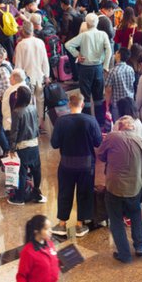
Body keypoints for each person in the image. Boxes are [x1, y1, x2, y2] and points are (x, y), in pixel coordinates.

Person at [97, 116, 142, 263]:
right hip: (134, 187)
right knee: (135, 214)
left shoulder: (112, 137)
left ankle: (124, 254)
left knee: (115, 220)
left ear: (119, 127)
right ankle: (140, 246)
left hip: (114, 186)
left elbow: (100, 156)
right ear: (132, 127)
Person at [50, 94, 102, 237]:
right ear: (82, 104)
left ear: (69, 104)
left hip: (66, 163)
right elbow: (98, 142)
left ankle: (61, 223)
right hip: (86, 164)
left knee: (64, 192)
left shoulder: (61, 121)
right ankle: (80, 224)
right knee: (85, 193)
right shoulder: (90, 120)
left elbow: (54, 144)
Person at [65, 14, 111, 130]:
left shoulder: (83, 35)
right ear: (97, 23)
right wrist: (105, 65)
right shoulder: (103, 34)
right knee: (99, 97)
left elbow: (67, 44)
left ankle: (88, 122)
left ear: (86, 23)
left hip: (85, 68)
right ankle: (100, 123)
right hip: (98, 67)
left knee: (85, 97)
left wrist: (77, 55)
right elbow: (109, 50)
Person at [8, 86, 45, 206]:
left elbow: (14, 132)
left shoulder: (16, 111)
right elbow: (36, 125)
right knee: (36, 169)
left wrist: (12, 148)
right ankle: (37, 193)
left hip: (22, 145)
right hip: (34, 143)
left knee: (22, 172)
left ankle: (19, 198)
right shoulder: (33, 108)